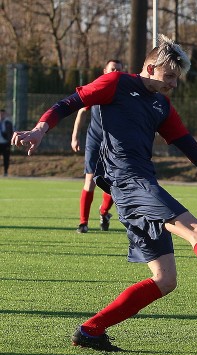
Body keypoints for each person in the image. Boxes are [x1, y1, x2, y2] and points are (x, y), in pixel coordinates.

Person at [12, 34, 197, 352]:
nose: (174, 84)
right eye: (170, 76)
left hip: (139, 184)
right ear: (151, 68)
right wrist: (40, 129)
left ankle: (90, 330)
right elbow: (69, 103)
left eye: (177, 79)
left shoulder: (162, 105)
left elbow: (195, 152)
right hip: (129, 182)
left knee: (165, 280)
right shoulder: (116, 83)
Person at [71, 60, 123, 233]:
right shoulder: (97, 89)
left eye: (119, 70)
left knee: (112, 182)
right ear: (105, 70)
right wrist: (75, 136)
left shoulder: (123, 92)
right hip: (94, 141)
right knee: (90, 180)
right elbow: (81, 111)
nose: (115, 72)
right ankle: (83, 223)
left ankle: (104, 212)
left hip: (114, 143)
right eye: (113, 69)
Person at [0, 108, 14, 176]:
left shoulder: (8, 123)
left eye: (3, 114)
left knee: (6, 158)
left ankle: (5, 172)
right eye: (0, 114)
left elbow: (11, 132)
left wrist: (10, 141)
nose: (1, 115)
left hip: (5, 143)